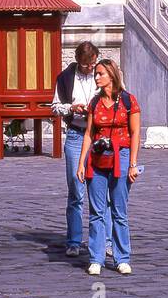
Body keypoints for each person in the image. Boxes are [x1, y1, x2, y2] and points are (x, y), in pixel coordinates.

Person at [76, 59, 141, 275]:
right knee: (96, 211)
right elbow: (88, 134)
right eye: (96, 74)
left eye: (100, 73)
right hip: (97, 157)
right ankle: (96, 257)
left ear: (111, 75)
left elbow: (135, 134)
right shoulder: (94, 103)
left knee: (119, 211)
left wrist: (133, 164)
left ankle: (122, 257)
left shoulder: (128, 101)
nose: (96, 78)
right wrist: (81, 162)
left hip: (121, 155)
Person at [51, 41, 102, 257]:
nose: (91, 69)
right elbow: (54, 106)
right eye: (86, 66)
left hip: (99, 135)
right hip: (76, 133)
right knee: (75, 188)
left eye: (93, 65)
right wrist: (72, 108)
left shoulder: (103, 74)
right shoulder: (65, 77)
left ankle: (102, 240)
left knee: (100, 190)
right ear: (78, 62)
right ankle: (73, 240)